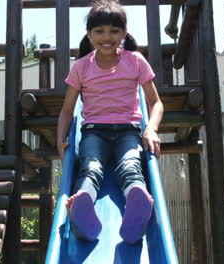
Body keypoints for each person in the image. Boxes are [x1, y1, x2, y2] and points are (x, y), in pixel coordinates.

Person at [57, 0, 163, 244]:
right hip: (94, 132)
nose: (107, 37)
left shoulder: (135, 61)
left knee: (129, 166)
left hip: (129, 130)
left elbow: (156, 103)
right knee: (91, 167)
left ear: (124, 33)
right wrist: (60, 140)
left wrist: (151, 129)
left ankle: (138, 204)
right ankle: (82, 206)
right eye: (99, 31)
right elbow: (66, 110)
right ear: (89, 34)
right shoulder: (82, 67)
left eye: (114, 31)